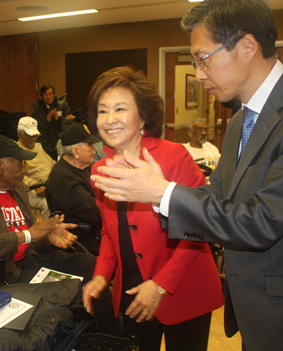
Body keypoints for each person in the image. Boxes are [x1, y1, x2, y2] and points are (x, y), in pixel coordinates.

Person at [90, 1, 283, 350]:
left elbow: (264, 219)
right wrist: (163, 193)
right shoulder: (240, 120)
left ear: (247, 47)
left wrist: (162, 193)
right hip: (256, 310)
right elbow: (218, 202)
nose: (199, 72)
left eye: (202, 58)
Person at [83, 66, 223, 351]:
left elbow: (199, 230)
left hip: (183, 289)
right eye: (102, 110)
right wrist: (100, 275)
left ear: (143, 116)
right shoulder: (99, 169)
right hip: (132, 292)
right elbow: (111, 233)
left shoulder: (173, 156)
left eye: (120, 109)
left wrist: (160, 285)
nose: (109, 120)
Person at [0, 134, 96, 285]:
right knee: (61, 289)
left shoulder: (17, 190)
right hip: (7, 270)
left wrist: (48, 237)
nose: (24, 170)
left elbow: (33, 240)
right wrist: (26, 235)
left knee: (87, 262)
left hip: (33, 259)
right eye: (19, 164)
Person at [45, 123, 103, 255]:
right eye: (89, 145)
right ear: (76, 151)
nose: (94, 149)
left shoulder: (84, 167)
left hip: (94, 231)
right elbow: (94, 214)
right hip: (84, 238)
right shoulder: (64, 179)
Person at [16, 116, 55, 219]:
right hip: (29, 191)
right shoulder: (16, 151)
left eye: (35, 135)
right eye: (30, 135)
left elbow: (52, 165)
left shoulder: (39, 150)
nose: (34, 138)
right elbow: (17, 176)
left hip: (49, 187)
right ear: (21, 133)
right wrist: (35, 185)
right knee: (49, 203)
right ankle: (50, 232)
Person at [32, 84, 71, 160]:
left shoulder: (63, 105)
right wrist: (47, 120)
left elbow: (69, 123)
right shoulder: (37, 109)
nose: (49, 97)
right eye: (46, 94)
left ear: (54, 94)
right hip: (46, 144)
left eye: (51, 94)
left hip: (61, 142)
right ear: (42, 96)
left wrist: (57, 119)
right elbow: (36, 128)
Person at [183, 118, 221, 183]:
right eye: (200, 130)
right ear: (190, 133)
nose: (204, 133)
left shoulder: (210, 147)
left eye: (206, 130)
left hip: (215, 185)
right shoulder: (184, 150)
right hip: (197, 186)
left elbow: (222, 164)